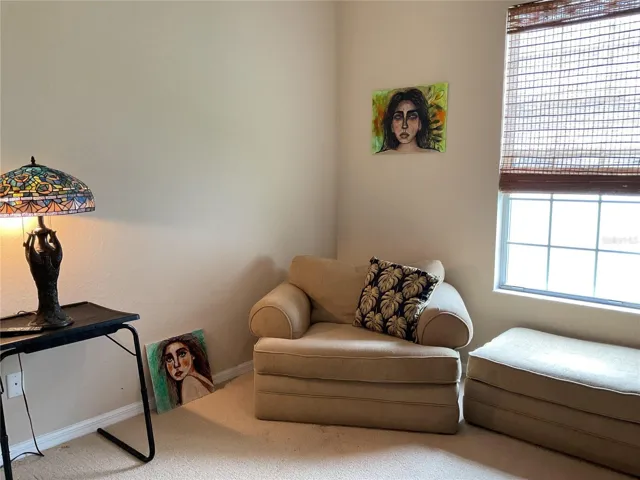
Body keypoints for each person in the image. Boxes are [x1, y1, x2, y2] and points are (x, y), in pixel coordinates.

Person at [157, 333, 215, 408]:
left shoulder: (189, 382)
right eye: (169, 359)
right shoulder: (200, 379)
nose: (176, 364)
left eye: (182, 354)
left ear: (192, 355)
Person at [377, 88, 433, 154]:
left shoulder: (433, 154)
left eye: (412, 117)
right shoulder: (381, 156)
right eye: (398, 117)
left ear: (420, 124)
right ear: (391, 126)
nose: (404, 126)